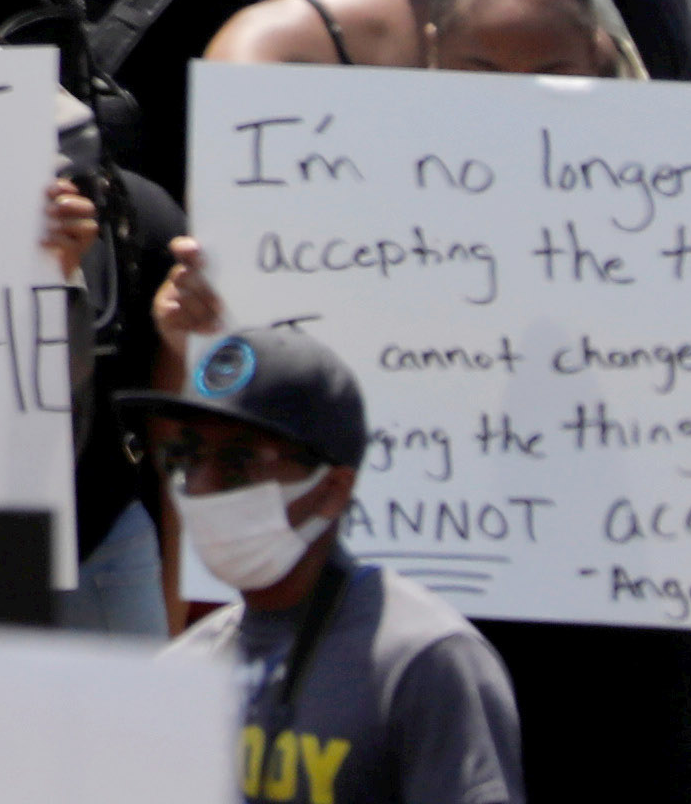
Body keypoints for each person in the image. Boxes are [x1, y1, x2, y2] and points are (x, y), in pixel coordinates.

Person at [128, 318, 523, 804]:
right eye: (185, 456)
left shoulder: (422, 664)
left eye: (239, 462)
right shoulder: (179, 673)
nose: (203, 486)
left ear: (332, 491)